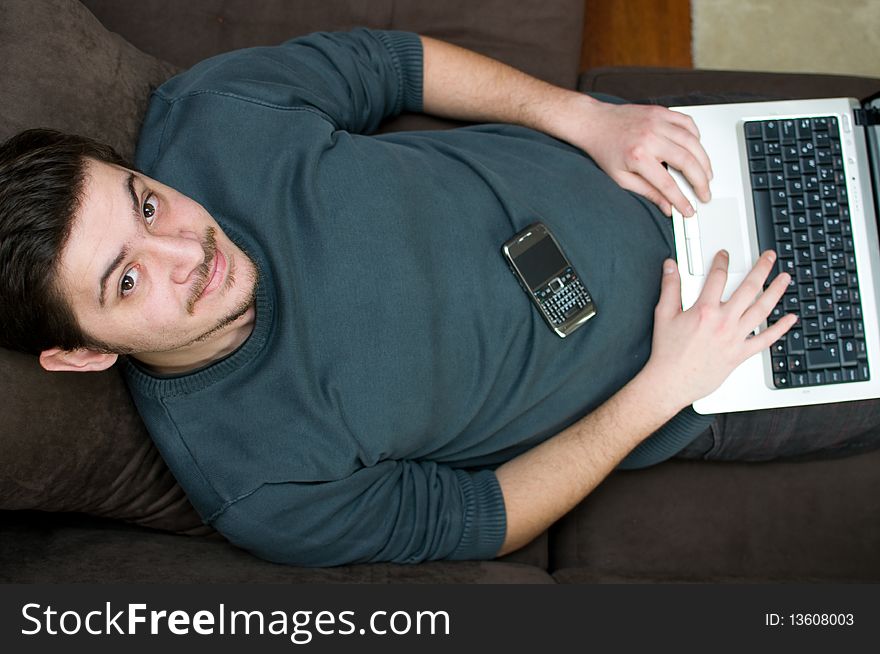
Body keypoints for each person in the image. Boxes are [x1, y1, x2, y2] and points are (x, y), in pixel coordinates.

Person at [0, 29, 872, 566]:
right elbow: (482, 520)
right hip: (714, 362)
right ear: (82, 351)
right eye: (126, 278)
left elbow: (389, 63)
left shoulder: (213, 115)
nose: (185, 250)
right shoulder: (259, 485)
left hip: (661, 163)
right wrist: (663, 390)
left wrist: (584, 116)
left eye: (146, 203)